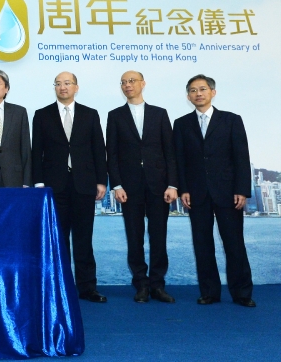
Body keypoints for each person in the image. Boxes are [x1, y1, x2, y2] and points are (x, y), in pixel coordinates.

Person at [174, 74, 255, 307]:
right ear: (188, 96)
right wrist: (184, 189)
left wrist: (242, 189)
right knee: (202, 244)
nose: (198, 93)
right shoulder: (181, 124)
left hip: (228, 193)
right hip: (196, 193)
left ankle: (242, 293)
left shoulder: (231, 120)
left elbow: (241, 157)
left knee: (234, 243)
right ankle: (209, 292)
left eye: (202, 89)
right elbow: (180, 160)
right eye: (192, 90)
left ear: (213, 92)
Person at [31, 72, 108, 303]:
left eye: (67, 83)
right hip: (55, 187)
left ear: (76, 87)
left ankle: (87, 288)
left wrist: (101, 181)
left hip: (84, 185)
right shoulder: (42, 115)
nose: (62, 87)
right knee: (59, 240)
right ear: (54, 87)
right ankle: (59, 288)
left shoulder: (90, 114)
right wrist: (39, 183)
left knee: (84, 240)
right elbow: (37, 153)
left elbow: (98, 149)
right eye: (58, 84)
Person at [106, 71, 177, 304]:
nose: (127, 85)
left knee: (159, 237)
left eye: (132, 81)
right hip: (129, 188)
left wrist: (172, 184)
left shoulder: (159, 114)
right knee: (134, 237)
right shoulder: (115, 116)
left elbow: (170, 152)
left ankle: (158, 285)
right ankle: (141, 285)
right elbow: (112, 155)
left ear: (143, 84)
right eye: (123, 82)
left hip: (159, 187)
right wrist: (116, 185)